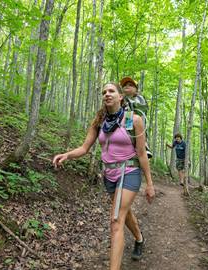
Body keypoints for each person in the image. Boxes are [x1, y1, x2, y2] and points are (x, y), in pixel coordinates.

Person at [53, 82, 155, 269]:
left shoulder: (134, 120)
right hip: (109, 174)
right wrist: (67, 154)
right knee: (124, 212)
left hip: (129, 171)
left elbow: (141, 154)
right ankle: (139, 238)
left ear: (120, 97)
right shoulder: (99, 121)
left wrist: (149, 183)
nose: (107, 94)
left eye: (111, 91)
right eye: (104, 92)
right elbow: (84, 148)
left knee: (116, 221)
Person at [119, 76, 152, 158]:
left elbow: (131, 119)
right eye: (124, 85)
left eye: (130, 85)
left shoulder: (139, 99)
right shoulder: (119, 100)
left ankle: (144, 147)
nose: (127, 86)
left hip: (135, 132)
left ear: (136, 90)